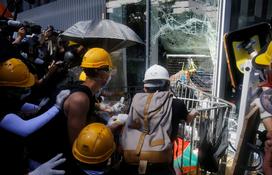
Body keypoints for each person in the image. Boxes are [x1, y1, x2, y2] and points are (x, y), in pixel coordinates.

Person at [27, 47, 122, 174]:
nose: (110, 74)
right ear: (101, 73)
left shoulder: (81, 90)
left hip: (50, 156)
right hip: (46, 163)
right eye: (109, 70)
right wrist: (110, 128)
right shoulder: (80, 99)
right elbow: (80, 145)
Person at [120, 64, 198, 175]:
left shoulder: (135, 101)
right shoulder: (176, 104)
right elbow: (188, 119)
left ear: (145, 87)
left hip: (131, 160)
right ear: (167, 85)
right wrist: (194, 112)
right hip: (161, 163)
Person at [0, 58, 70, 174]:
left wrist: (41, 108)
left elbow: (23, 106)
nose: (26, 89)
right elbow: (25, 128)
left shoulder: (8, 97)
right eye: (22, 88)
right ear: (9, 88)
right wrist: (56, 107)